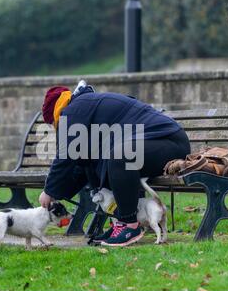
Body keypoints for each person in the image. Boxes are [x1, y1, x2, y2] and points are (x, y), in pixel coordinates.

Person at [38, 82, 190, 247]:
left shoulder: (73, 110)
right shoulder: (82, 109)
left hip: (168, 141)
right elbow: (79, 163)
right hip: (153, 142)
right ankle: (121, 224)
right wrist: (58, 192)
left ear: (55, 113)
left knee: (121, 156)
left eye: (53, 124)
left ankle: (130, 226)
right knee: (110, 159)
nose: (56, 129)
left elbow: (65, 155)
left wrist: (49, 190)